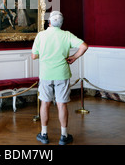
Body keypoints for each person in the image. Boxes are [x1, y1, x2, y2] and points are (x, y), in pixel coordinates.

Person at [32, 11, 89, 145]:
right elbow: (84, 46)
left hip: (46, 75)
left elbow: (34, 56)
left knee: (45, 103)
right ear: (61, 23)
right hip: (62, 75)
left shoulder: (41, 35)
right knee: (61, 104)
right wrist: (74, 57)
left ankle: (44, 134)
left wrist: (45, 55)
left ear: (49, 22)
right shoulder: (66, 35)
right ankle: (64, 136)